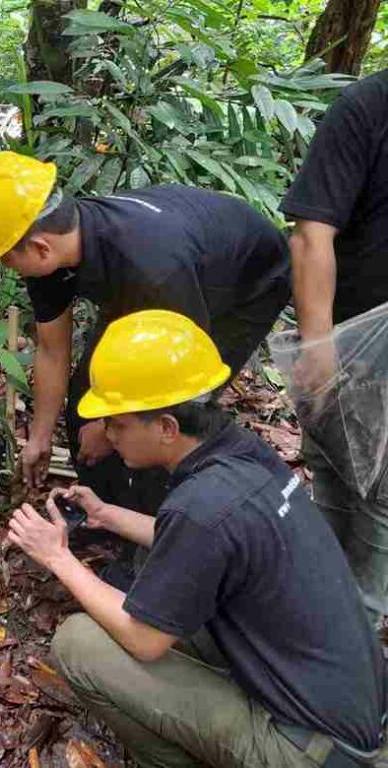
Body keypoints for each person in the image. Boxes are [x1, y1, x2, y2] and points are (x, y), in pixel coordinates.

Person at [7, 310, 385, 768]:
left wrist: (58, 557)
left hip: (310, 750)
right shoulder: (242, 455)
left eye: (118, 424)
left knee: (78, 644)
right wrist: (106, 515)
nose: (108, 434)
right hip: (351, 710)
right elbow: (205, 542)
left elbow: (144, 640)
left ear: (167, 427)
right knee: (155, 595)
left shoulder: (201, 505)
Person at [0, 153, 291, 535]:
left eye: (6, 262)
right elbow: (52, 351)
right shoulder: (51, 251)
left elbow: (172, 383)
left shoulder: (153, 266)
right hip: (153, 283)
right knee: (89, 395)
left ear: (40, 248)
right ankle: (102, 512)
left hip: (243, 286)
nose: (7, 270)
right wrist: (41, 437)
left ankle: (159, 533)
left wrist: (110, 432)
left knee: (166, 422)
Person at [280, 69, 388, 624]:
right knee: (337, 478)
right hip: (356, 338)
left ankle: (358, 639)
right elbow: (311, 233)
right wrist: (318, 344)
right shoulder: (368, 106)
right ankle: (316, 617)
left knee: (380, 502)